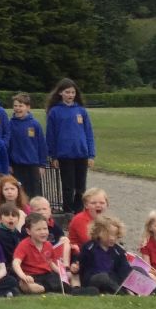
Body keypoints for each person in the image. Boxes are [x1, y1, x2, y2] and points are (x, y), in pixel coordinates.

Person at [46, 77, 96, 214]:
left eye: (73, 92)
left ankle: (79, 211)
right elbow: (50, 136)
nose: (70, 95)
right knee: (68, 186)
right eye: (67, 92)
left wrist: (91, 154)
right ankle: (68, 212)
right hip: (64, 155)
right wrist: (53, 156)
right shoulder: (54, 112)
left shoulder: (81, 111)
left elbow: (89, 134)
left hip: (81, 154)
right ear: (60, 93)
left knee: (81, 187)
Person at [7, 93, 48, 200]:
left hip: (33, 165)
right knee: (19, 193)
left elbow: (42, 145)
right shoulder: (9, 124)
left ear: (28, 107)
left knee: (35, 193)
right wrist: (9, 164)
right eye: (15, 106)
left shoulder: (35, 124)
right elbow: (7, 146)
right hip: (17, 166)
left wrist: (42, 165)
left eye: (21, 106)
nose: (18, 108)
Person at [79, 214, 132, 294]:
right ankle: (121, 293)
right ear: (98, 232)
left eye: (115, 235)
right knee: (103, 277)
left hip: (113, 279)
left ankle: (154, 290)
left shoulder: (119, 251)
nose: (112, 238)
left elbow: (123, 270)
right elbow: (81, 265)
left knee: (136, 270)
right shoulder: (89, 247)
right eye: (109, 234)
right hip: (94, 279)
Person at [12, 213, 64, 294]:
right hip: (31, 276)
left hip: (47, 275)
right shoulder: (24, 245)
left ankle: (43, 289)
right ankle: (43, 289)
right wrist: (23, 276)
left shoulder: (48, 245)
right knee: (27, 285)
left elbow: (50, 263)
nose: (43, 232)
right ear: (29, 231)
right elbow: (16, 263)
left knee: (61, 281)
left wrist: (61, 272)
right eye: (38, 229)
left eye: (45, 229)